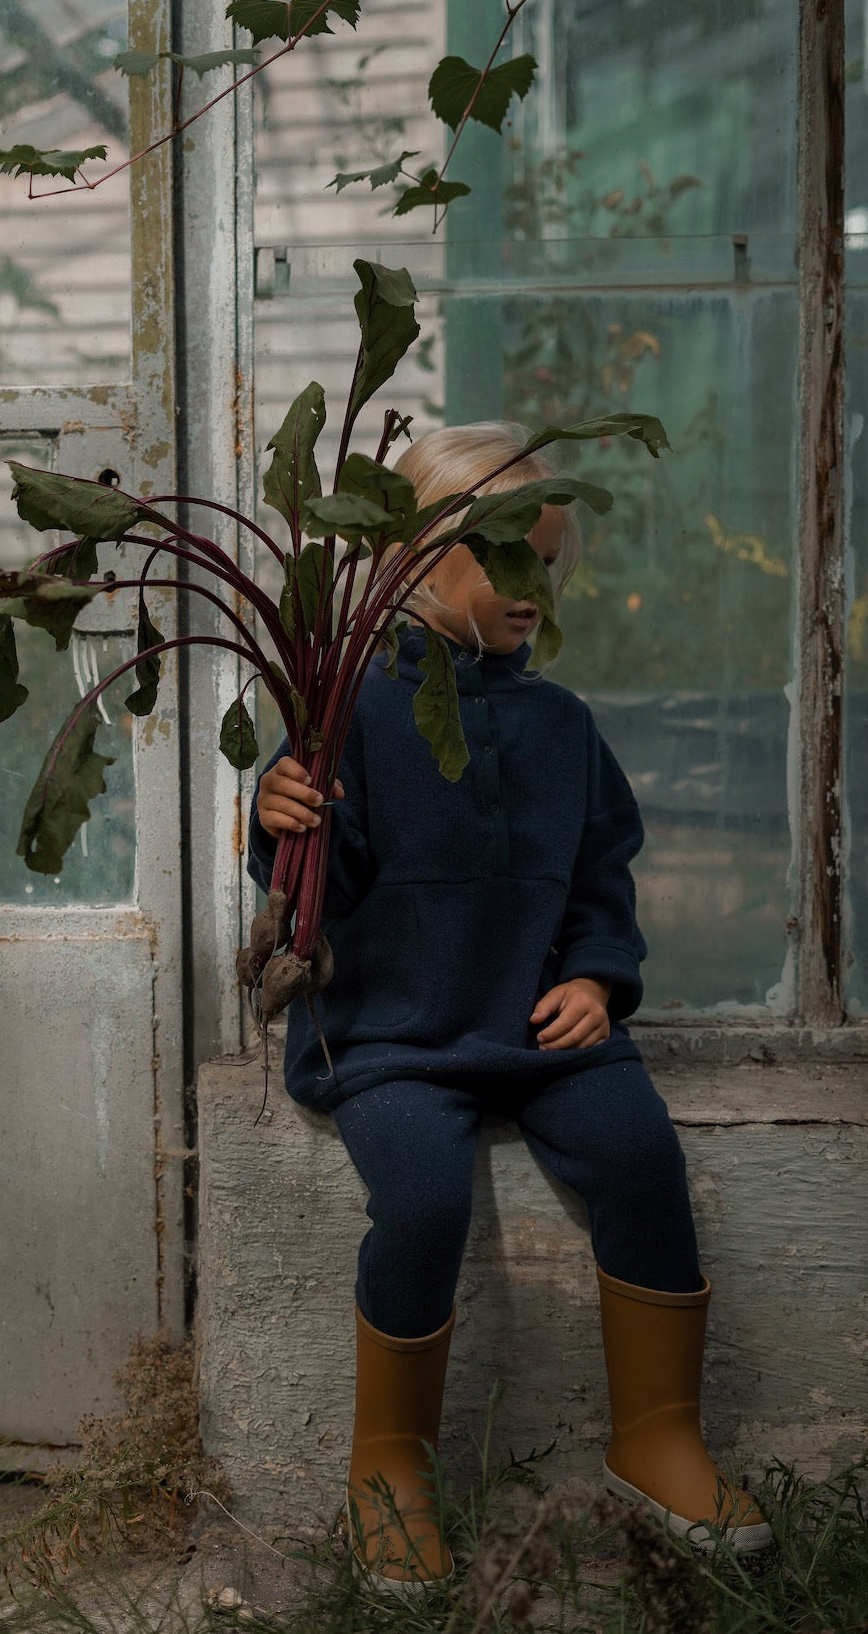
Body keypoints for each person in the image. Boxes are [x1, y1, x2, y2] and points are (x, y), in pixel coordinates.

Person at [247, 423, 771, 1593]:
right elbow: (313, 884)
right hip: (392, 1041)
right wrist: (280, 812)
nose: (536, 588)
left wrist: (596, 977)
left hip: (540, 1029)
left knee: (639, 1156)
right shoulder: (356, 714)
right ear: (419, 561)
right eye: (507, 563)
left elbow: (601, 879)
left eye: (549, 564)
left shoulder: (564, 729)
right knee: (425, 1200)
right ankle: (386, 1467)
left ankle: (657, 1435)